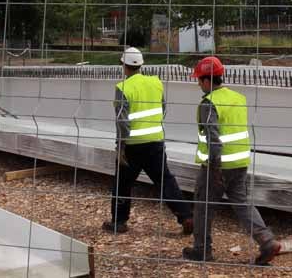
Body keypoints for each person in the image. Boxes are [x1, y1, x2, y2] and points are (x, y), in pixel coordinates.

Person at [183, 56, 281, 265]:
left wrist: (215, 168)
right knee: (242, 203)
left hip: (217, 165)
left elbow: (214, 138)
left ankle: (202, 250)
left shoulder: (209, 103)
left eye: (199, 79)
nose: (198, 84)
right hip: (239, 162)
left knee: (203, 205)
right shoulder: (238, 98)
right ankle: (266, 240)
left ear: (207, 81)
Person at [103, 47, 193, 234]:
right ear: (141, 65)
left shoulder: (123, 88)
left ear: (123, 66)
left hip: (133, 146)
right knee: (165, 180)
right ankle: (186, 216)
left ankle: (118, 222)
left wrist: (120, 147)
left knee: (122, 183)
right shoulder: (156, 83)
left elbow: (122, 121)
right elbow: (163, 109)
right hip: (155, 142)